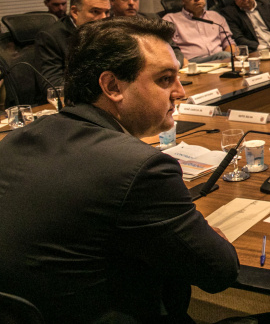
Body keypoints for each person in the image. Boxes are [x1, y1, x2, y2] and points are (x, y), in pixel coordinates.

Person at [0, 18, 240, 321]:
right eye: (165, 79)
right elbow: (219, 271)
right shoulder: (141, 168)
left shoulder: (18, 138)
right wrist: (209, 237)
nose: (180, 91)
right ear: (113, 86)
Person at [36, 0, 110, 87]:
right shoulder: (51, 37)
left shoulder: (108, 32)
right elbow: (53, 84)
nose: (104, 18)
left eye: (106, 12)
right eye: (95, 11)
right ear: (75, 12)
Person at [109, 0, 185, 66]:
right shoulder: (106, 27)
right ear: (112, 0)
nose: (131, 2)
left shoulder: (152, 20)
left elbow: (174, 49)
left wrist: (176, 64)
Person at [163, 0, 235, 63]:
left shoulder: (215, 17)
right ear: (183, 0)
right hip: (192, 63)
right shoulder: (171, 19)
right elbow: (168, 48)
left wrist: (231, 59)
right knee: (224, 55)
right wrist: (182, 62)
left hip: (219, 62)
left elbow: (228, 42)